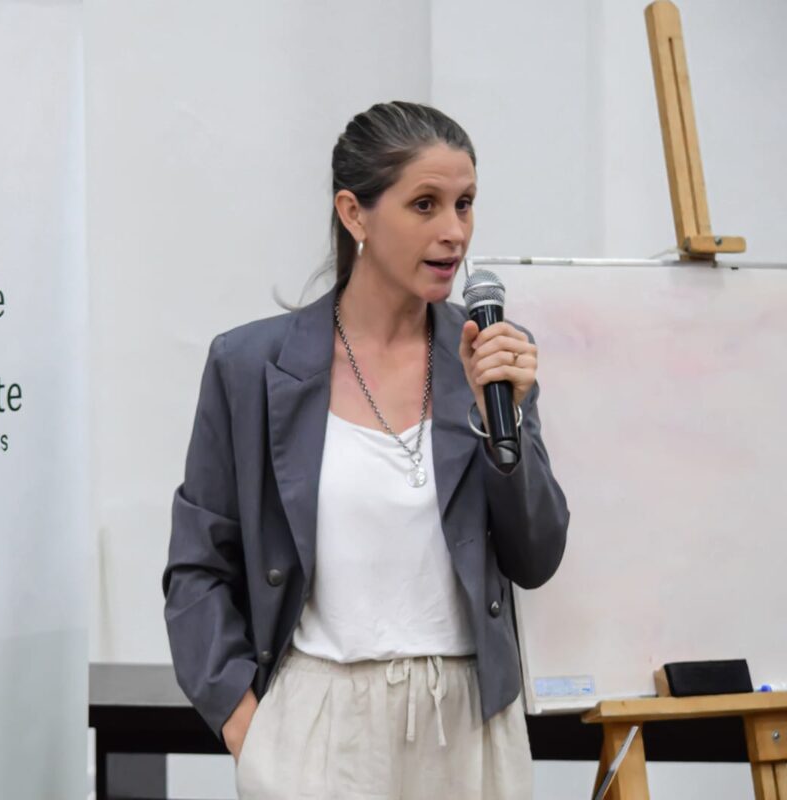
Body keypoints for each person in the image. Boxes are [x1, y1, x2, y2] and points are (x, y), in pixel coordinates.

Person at [162, 101, 570, 799]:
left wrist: (500, 425)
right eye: (425, 205)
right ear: (355, 214)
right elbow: (198, 569)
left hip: (467, 727)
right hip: (317, 728)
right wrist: (246, 726)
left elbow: (536, 558)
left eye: (465, 205)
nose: (453, 233)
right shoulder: (250, 366)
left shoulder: (488, 361)